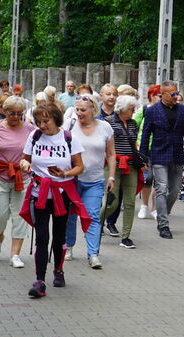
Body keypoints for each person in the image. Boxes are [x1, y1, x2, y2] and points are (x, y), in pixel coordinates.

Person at [20, 103, 87, 299]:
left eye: (46, 121)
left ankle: (58, 270)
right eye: (39, 121)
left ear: (56, 119)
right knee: (41, 237)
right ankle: (39, 281)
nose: (42, 125)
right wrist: (24, 164)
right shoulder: (34, 136)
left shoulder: (68, 138)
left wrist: (65, 173)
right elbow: (25, 159)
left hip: (62, 192)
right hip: (39, 192)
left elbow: (80, 167)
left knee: (59, 236)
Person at [138, 80, 184, 239]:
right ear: (162, 94)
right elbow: (145, 135)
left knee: (175, 190)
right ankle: (163, 224)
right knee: (162, 189)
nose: (176, 96)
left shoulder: (183, 110)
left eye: (177, 93)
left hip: (177, 155)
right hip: (159, 154)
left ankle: (164, 211)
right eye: (172, 94)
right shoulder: (152, 111)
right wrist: (143, 157)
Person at [0, 95, 33, 268]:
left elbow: (34, 153)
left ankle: (15, 254)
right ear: (3, 111)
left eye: (19, 114)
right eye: (12, 113)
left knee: (20, 217)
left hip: (22, 177)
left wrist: (30, 164)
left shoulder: (30, 129)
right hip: (0, 175)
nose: (16, 117)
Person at [64, 95, 115, 266]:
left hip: (95, 180)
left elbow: (111, 154)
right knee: (70, 216)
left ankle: (93, 254)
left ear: (93, 109)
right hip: (72, 180)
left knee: (92, 215)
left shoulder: (105, 127)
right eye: (77, 109)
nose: (79, 113)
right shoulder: (69, 126)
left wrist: (112, 177)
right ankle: (68, 247)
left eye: (83, 110)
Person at [101, 95, 143, 248]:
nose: (133, 112)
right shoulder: (108, 122)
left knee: (130, 202)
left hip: (130, 165)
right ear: (123, 109)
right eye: (131, 109)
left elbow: (134, 143)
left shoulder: (133, 124)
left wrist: (140, 160)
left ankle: (126, 237)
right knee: (112, 202)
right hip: (113, 165)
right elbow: (104, 145)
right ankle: (96, 224)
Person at [135, 85, 160, 220]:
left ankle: (155, 208)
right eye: (159, 96)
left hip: (160, 149)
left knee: (159, 179)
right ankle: (144, 205)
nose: (161, 98)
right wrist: (136, 145)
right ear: (152, 96)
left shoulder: (164, 111)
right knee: (148, 178)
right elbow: (133, 127)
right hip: (145, 149)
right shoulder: (143, 110)